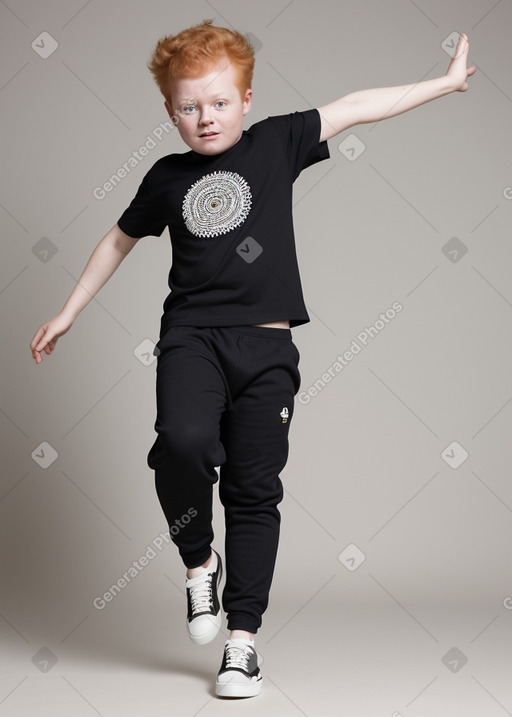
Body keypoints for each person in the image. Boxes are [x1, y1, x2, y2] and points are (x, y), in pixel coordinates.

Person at [30, 19, 476, 698]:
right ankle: (196, 559)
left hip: (267, 348)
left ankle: (242, 643)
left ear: (245, 98)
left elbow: (355, 106)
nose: (204, 117)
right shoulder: (166, 177)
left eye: (217, 101)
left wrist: (441, 84)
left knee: (253, 489)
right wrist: (67, 310)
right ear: (170, 111)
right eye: (188, 106)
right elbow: (118, 240)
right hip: (192, 339)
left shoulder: (275, 142)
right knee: (181, 442)